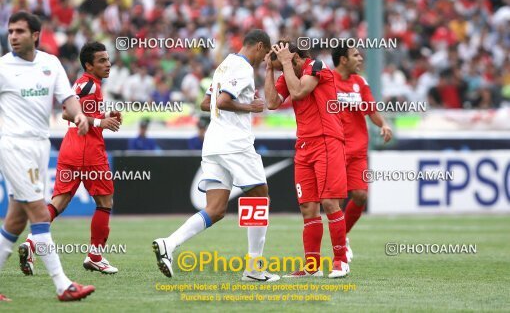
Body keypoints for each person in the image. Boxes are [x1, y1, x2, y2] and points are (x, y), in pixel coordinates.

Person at [153, 29, 280, 282]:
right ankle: (254, 269)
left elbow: (206, 103)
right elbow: (221, 102)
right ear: (258, 47)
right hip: (234, 143)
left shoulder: (224, 65)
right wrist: (250, 107)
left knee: (217, 209)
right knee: (260, 197)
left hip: (213, 143)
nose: (264, 58)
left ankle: (169, 243)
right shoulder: (243, 68)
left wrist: (237, 104)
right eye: (265, 53)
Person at [0, 11, 94, 301]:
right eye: (11, 31)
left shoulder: (50, 64)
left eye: (19, 31)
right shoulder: (2, 67)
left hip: (40, 146)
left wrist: (79, 116)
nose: (13, 36)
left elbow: (68, 99)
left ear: (35, 35)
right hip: (14, 146)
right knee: (40, 213)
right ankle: (63, 285)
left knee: (15, 220)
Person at [19, 41, 122, 275]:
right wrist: (99, 122)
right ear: (89, 65)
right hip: (88, 150)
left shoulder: (85, 84)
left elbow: (82, 110)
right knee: (105, 203)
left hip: (70, 148)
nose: (108, 64)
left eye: (108, 59)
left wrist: (105, 115)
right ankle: (95, 256)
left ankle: (31, 243)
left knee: (59, 202)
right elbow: (68, 112)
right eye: (102, 61)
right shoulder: (89, 85)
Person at [265, 41, 350, 278]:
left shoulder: (318, 67)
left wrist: (284, 63)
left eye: (288, 63)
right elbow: (272, 103)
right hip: (303, 146)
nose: (285, 70)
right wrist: (270, 70)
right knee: (307, 207)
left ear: (298, 57)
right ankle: (312, 267)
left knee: (330, 202)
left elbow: (300, 91)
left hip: (327, 141)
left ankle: (341, 261)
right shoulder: (287, 73)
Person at [331, 43, 393, 262]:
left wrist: (383, 124)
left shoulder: (360, 82)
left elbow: (371, 110)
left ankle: (343, 236)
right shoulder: (326, 79)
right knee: (335, 200)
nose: (360, 58)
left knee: (360, 195)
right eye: (355, 55)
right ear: (343, 59)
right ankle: (338, 247)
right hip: (335, 148)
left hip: (357, 149)